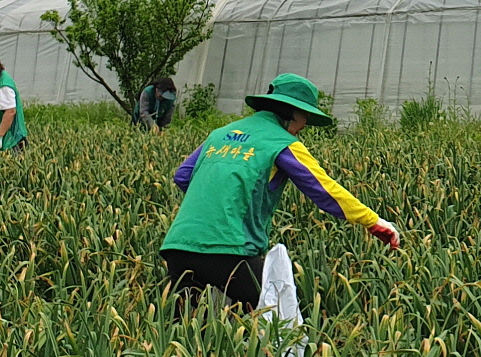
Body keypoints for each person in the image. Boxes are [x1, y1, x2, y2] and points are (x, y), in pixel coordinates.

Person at [161, 73, 400, 312]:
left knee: (188, 331)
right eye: (305, 116)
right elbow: (325, 190)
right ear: (291, 112)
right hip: (231, 248)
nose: (304, 124)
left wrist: (216, 202)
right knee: (275, 321)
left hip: (178, 247)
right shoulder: (281, 142)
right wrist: (373, 221)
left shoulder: (220, 134)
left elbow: (183, 176)